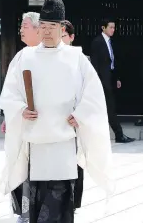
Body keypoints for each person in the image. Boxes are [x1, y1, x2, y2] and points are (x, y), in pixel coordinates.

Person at [0, 0, 115, 223]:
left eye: (52, 27)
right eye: (43, 26)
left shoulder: (76, 58)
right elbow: (10, 93)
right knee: (36, 201)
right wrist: (21, 109)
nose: (47, 32)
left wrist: (80, 114)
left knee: (61, 202)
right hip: (35, 140)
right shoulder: (26, 56)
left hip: (64, 140)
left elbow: (93, 95)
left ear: (62, 28)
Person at [0, 11, 41, 223]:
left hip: (44, 124)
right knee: (21, 165)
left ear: (37, 28)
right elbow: (10, 91)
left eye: (25, 25)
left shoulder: (49, 54)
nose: (21, 29)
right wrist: (16, 111)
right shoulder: (21, 55)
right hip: (23, 120)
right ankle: (24, 212)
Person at [90, 19, 135, 143]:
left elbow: (113, 62)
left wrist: (117, 78)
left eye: (114, 28)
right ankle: (119, 134)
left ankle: (118, 134)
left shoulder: (111, 42)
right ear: (103, 28)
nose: (113, 30)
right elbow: (95, 64)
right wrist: (96, 81)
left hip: (110, 78)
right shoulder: (97, 42)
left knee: (109, 107)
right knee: (109, 108)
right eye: (110, 27)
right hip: (102, 80)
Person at [61, 20, 84, 213]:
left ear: (71, 37)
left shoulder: (80, 59)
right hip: (54, 118)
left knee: (76, 158)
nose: (60, 39)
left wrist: (80, 114)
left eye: (63, 36)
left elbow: (89, 92)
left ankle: (74, 200)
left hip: (74, 117)